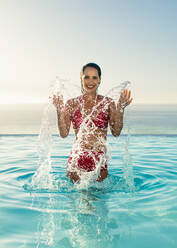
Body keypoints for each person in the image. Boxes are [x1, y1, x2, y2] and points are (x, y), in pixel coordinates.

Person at [53, 63, 132, 183]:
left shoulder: (108, 103)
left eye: (94, 77)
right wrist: (59, 110)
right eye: (87, 77)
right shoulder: (72, 103)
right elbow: (63, 133)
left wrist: (121, 108)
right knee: (78, 199)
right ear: (81, 78)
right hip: (77, 159)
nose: (90, 81)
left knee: (98, 199)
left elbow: (116, 132)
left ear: (99, 80)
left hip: (99, 160)